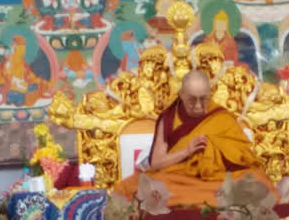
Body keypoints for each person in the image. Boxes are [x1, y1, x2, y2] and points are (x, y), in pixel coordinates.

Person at [114, 70, 274, 207]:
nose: (198, 106)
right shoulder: (169, 118)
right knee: (139, 189)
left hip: (216, 179)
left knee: (258, 181)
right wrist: (187, 151)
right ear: (182, 95)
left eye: (203, 99)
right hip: (179, 180)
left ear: (209, 95)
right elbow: (156, 163)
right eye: (192, 100)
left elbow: (242, 160)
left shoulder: (222, 117)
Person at [0, 35, 46, 106]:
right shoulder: (7, 61)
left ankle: (17, 97)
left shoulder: (18, 54)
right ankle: (14, 97)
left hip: (20, 82)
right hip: (13, 84)